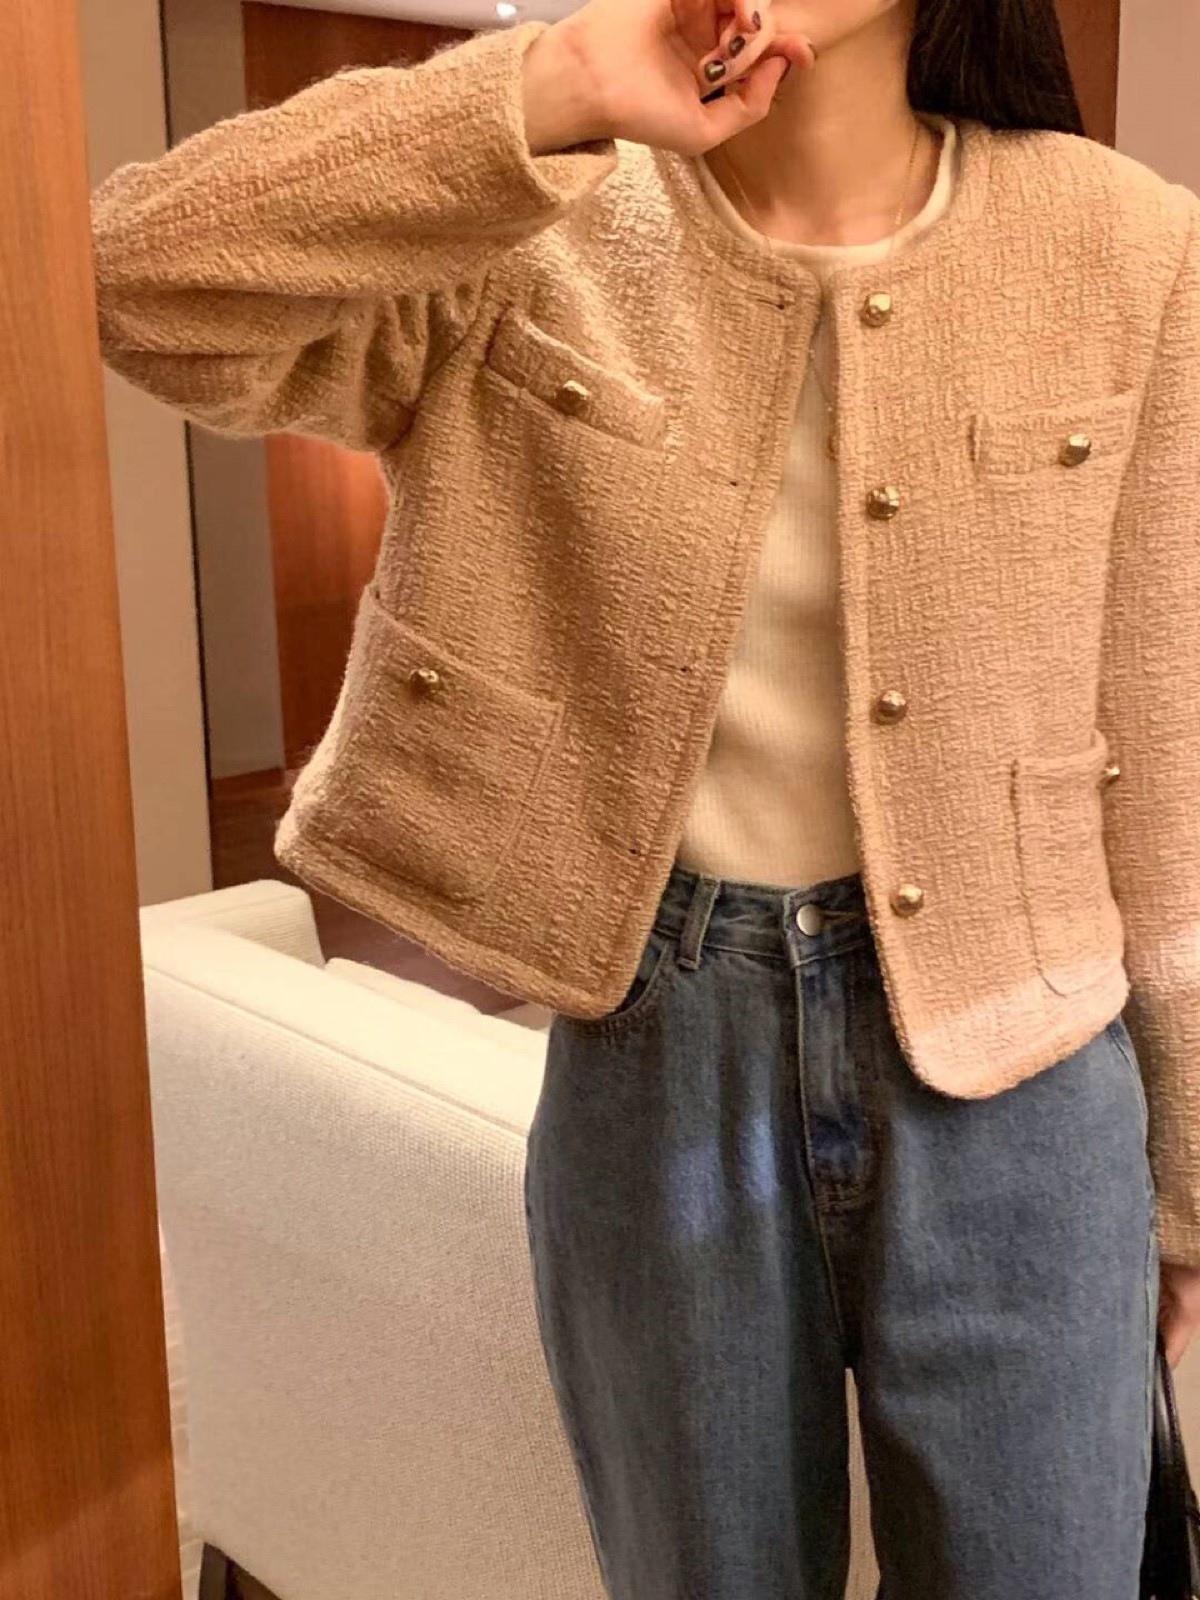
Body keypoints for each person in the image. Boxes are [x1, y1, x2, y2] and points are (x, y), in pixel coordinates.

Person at [90, 0, 1200, 1593]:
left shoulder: (1129, 244)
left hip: (1022, 1071)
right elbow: (129, 280)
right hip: (657, 1038)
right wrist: (550, 83)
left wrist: (1188, 1182)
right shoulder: (534, 208)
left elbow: (1164, 740)